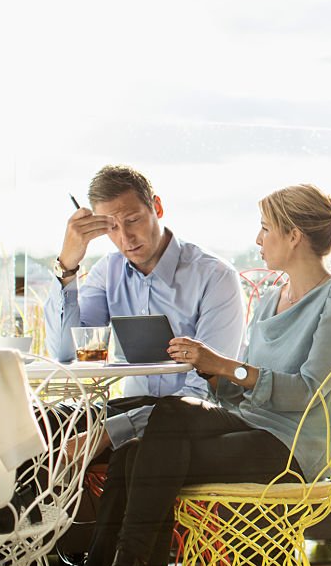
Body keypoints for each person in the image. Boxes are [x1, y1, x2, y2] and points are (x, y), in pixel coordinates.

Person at [78, 183, 331, 566]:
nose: (258, 238)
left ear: (293, 236)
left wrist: (227, 367)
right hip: (250, 428)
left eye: (265, 229)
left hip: (295, 449)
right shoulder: (271, 298)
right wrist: (210, 373)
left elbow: (308, 394)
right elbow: (243, 390)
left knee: (146, 455)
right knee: (137, 449)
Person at [44, 164, 245, 455]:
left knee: (132, 451)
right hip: (134, 408)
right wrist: (67, 266)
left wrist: (110, 432)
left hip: (197, 419)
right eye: (111, 227)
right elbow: (66, 354)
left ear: (157, 207)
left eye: (133, 220)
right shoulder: (107, 273)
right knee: (44, 424)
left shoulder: (215, 277)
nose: (125, 238)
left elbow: (204, 393)